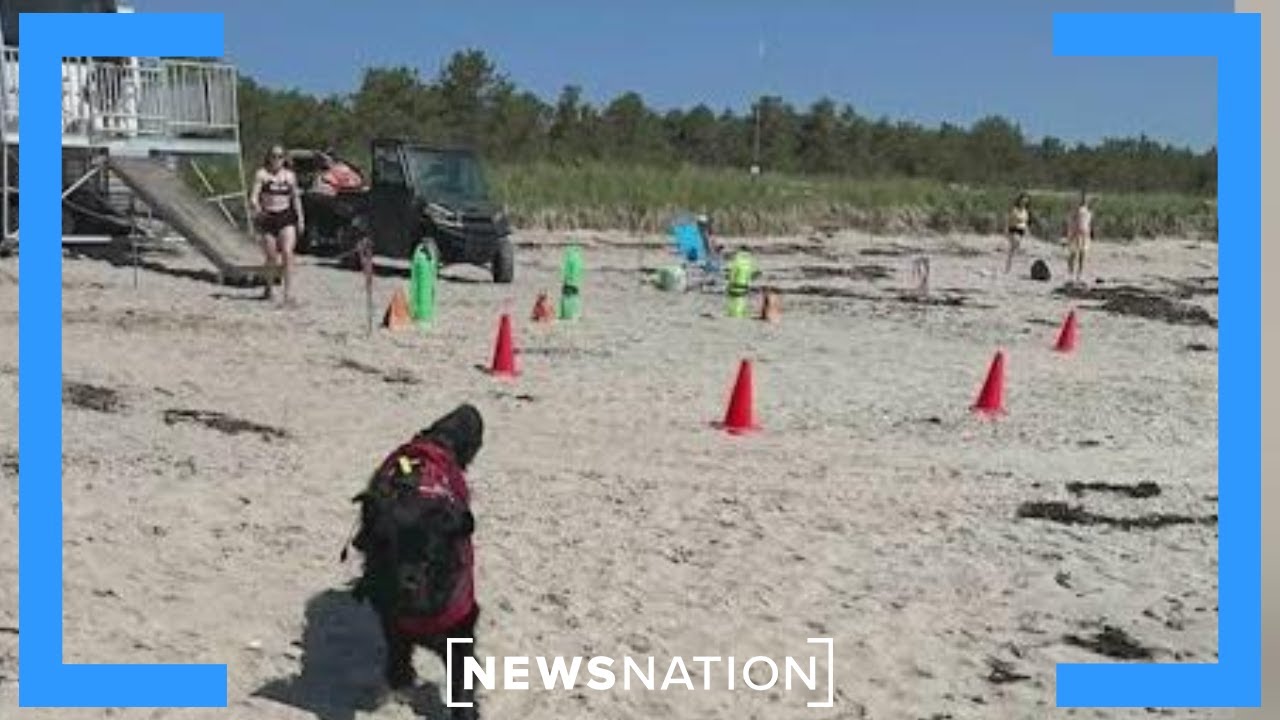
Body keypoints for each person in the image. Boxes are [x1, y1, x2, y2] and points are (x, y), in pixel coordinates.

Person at [250, 145, 305, 304]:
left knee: (288, 253)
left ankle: (288, 292)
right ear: (269, 157)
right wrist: (256, 208)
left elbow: (295, 198)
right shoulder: (262, 174)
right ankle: (269, 287)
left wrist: (300, 218)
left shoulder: (290, 176)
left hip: (286, 216)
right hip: (268, 216)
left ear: (284, 159)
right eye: (274, 156)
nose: (276, 160)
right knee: (271, 256)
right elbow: (254, 196)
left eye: (280, 156)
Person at [1066, 192, 1093, 283]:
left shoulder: (1088, 211)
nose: (1084, 201)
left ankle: (1080, 273)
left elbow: (1088, 224)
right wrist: (1071, 233)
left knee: (1083, 254)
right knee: (1073, 254)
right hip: (1075, 234)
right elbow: (1071, 222)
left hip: (1084, 235)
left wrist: (1090, 233)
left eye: (1086, 199)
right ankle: (1071, 272)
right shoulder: (1075, 210)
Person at [1005, 192, 1031, 274]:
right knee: (1015, 243)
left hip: (1021, 230)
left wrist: (1027, 230)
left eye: (1026, 200)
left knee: (1013, 249)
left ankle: (1010, 266)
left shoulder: (1026, 211)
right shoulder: (1014, 209)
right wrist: (1006, 229)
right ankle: (1008, 266)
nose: (1024, 202)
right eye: (1023, 200)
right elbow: (1009, 220)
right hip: (1013, 229)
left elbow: (1026, 222)